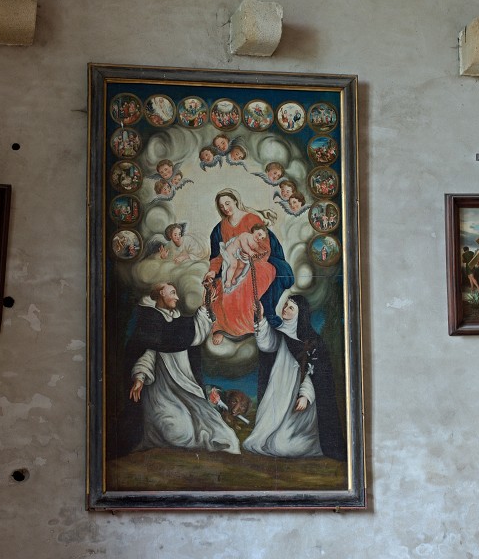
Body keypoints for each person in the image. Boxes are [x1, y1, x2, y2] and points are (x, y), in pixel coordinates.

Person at [118, 283, 240, 456]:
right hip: (162, 395)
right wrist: (139, 378)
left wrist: (205, 307)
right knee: (179, 433)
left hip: (186, 390)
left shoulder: (178, 322)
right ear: (161, 293)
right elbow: (147, 354)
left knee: (221, 433)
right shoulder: (150, 323)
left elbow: (195, 333)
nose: (177, 297)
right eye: (173, 293)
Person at [243, 296, 346, 460]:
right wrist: (261, 318)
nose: (285, 309)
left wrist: (305, 395)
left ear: (300, 314)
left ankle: (310, 441)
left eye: (291, 308)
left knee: (281, 445)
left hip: (299, 399)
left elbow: (315, 373)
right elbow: (266, 344)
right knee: (259, 441)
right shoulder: (281, 334)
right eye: (285, 305)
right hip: (279, 391)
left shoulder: (311, 341)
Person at [203, 189, 294, 345]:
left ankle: (247, 326)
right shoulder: (220, 228)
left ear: (235, 201)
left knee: (245, 286)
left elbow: (265, 247)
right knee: (219, 287)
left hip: (258, 262)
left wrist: (251, 258)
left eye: (228, 203)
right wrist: (212, 271)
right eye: (222, 206)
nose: (225, 208)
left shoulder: (251, 219)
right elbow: (218, 256)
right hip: (232, 264)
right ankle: (222, 328)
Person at [218, 224, 270, 290]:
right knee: (234, 264)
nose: (259, 238)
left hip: (239, 256)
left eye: (262, 238)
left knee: (241, 266)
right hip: (231, 252)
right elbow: (244, 245)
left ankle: (233, 277)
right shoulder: (245, 235)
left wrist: (262, 253)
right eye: (259, 234)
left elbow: (258, 251)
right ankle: (228, 280)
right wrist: (250, 252)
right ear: (254, 230)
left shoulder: (255, 244)